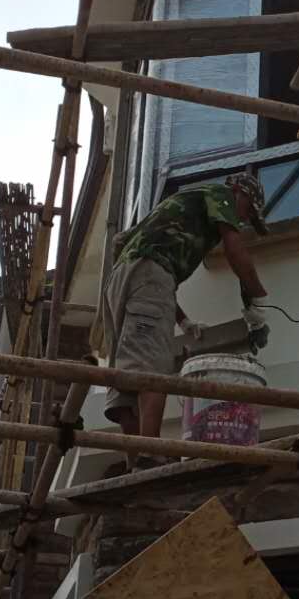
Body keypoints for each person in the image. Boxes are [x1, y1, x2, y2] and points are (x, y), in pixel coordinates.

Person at [101, 172, 270, 461]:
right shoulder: (221, 195)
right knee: (153, 368)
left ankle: (135, 463)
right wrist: (259, 301)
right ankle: (151, 455)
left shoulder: (180, 208)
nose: (242, 220)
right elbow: (234, 249)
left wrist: (183, 320)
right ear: (239, 192)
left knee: (125, 379)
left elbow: (126, 247)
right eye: (248, 212)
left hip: (118, 282)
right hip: (148, 274)